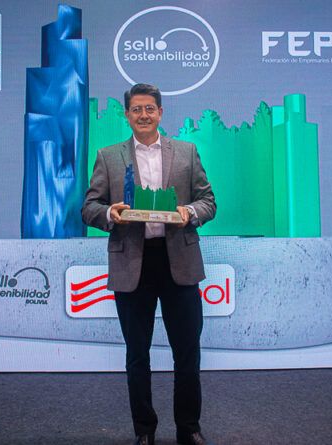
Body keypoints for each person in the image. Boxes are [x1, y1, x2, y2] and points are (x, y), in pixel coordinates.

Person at [81, 83, 216, 445]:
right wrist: (109, 213)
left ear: (160, 113)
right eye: (137, 109)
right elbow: (89, 207)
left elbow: (208, 201)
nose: (143, 115)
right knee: (137, 355)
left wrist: (190, 213)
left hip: (179, 262)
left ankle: (189, 428)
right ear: (127, 115)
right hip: (132, 264)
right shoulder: (108, 156)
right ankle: (144, 431)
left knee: (187, 353)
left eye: (150, 109)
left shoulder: (186, 152)